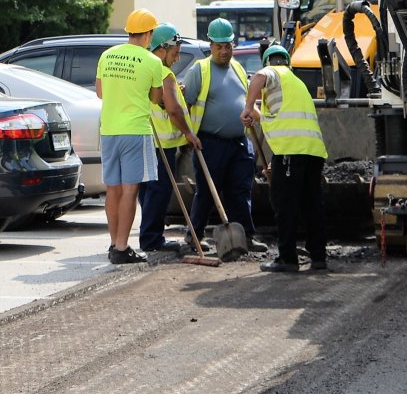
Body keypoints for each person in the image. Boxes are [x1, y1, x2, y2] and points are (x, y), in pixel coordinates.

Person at [243, 43, 329, 274]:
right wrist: (256, 115)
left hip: (292, 151)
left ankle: (287, 258)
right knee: (312, 204)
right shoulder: (296, 84)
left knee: (285, 204)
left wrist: (248, 106)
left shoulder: (274, 72)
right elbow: (277, 119)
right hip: (312, 151)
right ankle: (318, 257)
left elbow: (259, 76)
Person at [96, 8, 169, 265]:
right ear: (149, 34)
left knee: (112, 190)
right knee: (130, 191)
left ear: (129, 32)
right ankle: (122, 247)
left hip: (108, 130)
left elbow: (100, 92)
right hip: (135, 131)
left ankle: (114, 242)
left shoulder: (107, 55)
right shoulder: (152, 61)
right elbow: (156, 98)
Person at [180, 18, 259, 249]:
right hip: (210, 143)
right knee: (206, 191)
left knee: (241, 190)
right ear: (210, 45)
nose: (224, 51)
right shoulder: (200, 70)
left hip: (239, 142)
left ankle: (246, 237)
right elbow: (186, 102)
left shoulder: (237, 67)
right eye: (219, 46)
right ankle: (194, 236)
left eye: (228, 46)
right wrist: (188, 135)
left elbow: (245, 100)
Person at [138, 24, 198, 256]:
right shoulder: (163, 74)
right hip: (162, 144)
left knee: (147, 191)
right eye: (175, 49)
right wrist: (188, 132)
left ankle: (148, 234)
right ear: (161, 49)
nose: (178, 54)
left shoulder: (145, 70)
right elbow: (173, 110)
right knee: (159, 190)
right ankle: (152, 239)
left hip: (146, 140)